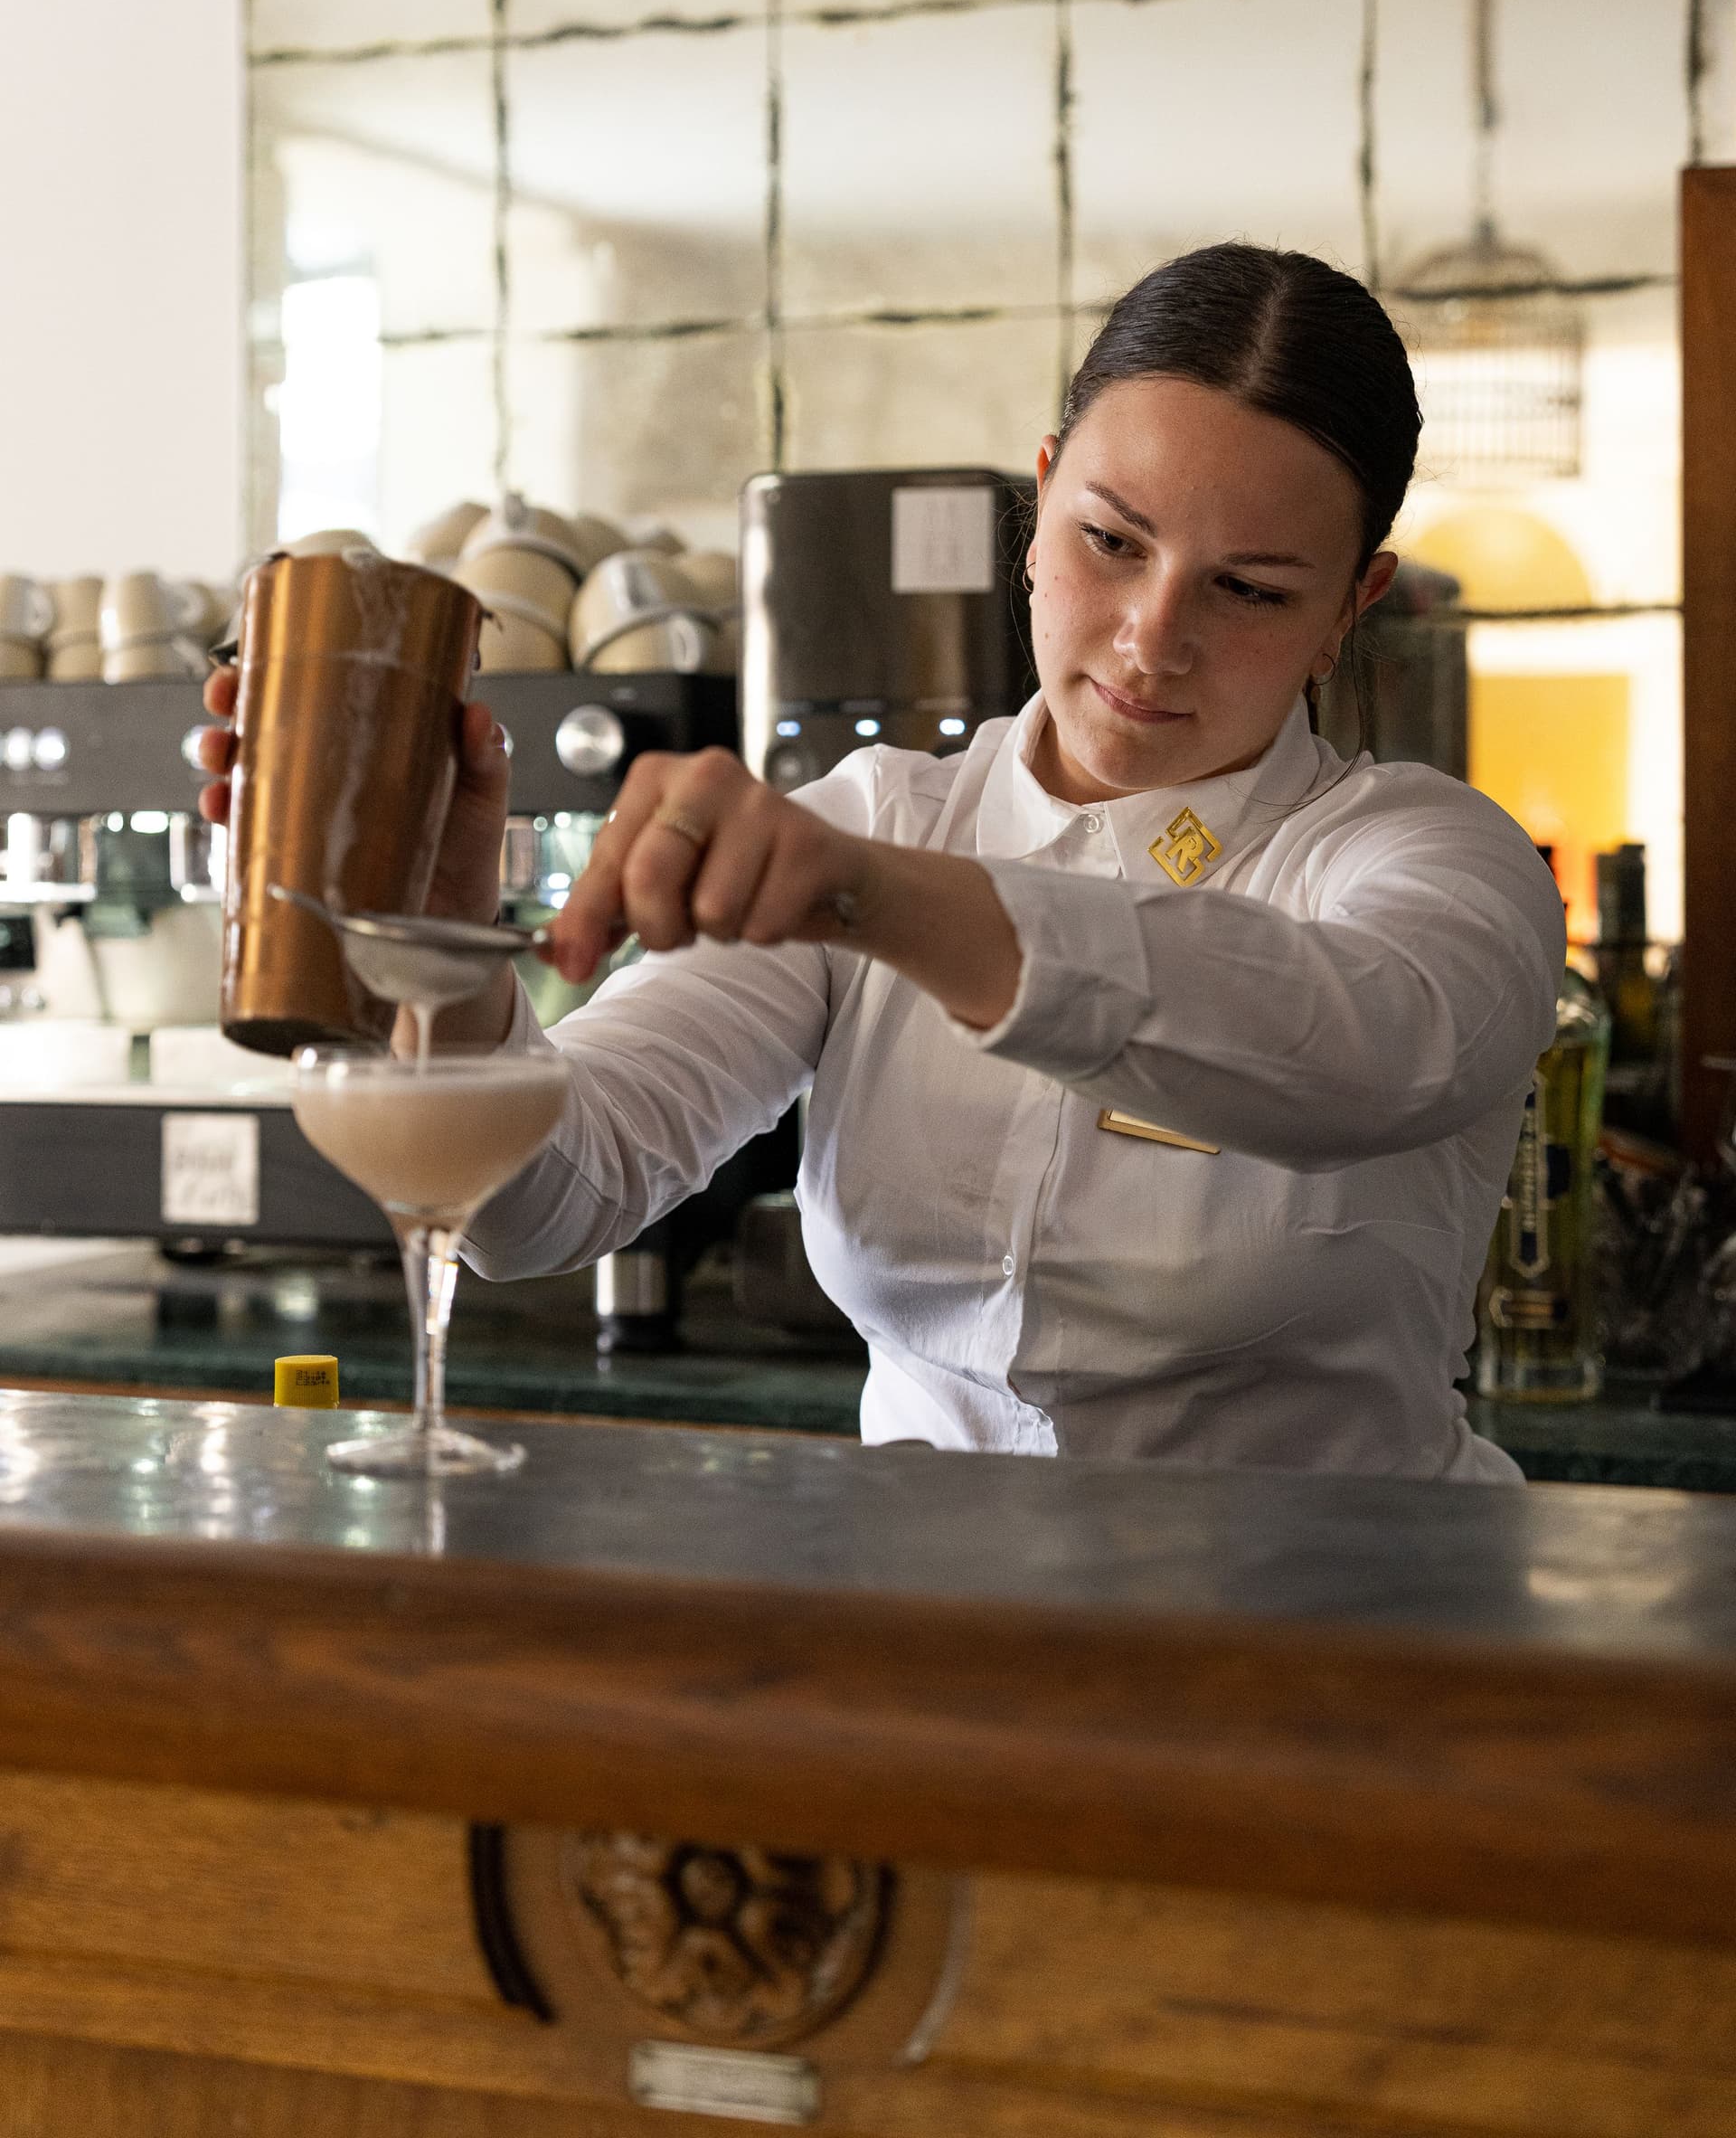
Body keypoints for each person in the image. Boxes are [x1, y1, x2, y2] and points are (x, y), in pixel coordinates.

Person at [202, 244, 1563, 1479]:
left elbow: (1363, 1043)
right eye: (1111, 542)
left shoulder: (1433, 861)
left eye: (1251, 589)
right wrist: (442, 937)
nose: (1155, 639)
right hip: (927, 1635)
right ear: (1039, 507)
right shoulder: (879, 815)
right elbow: (541, 1202)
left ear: (1350, 607)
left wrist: (874, 897)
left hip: (1335, 1652)